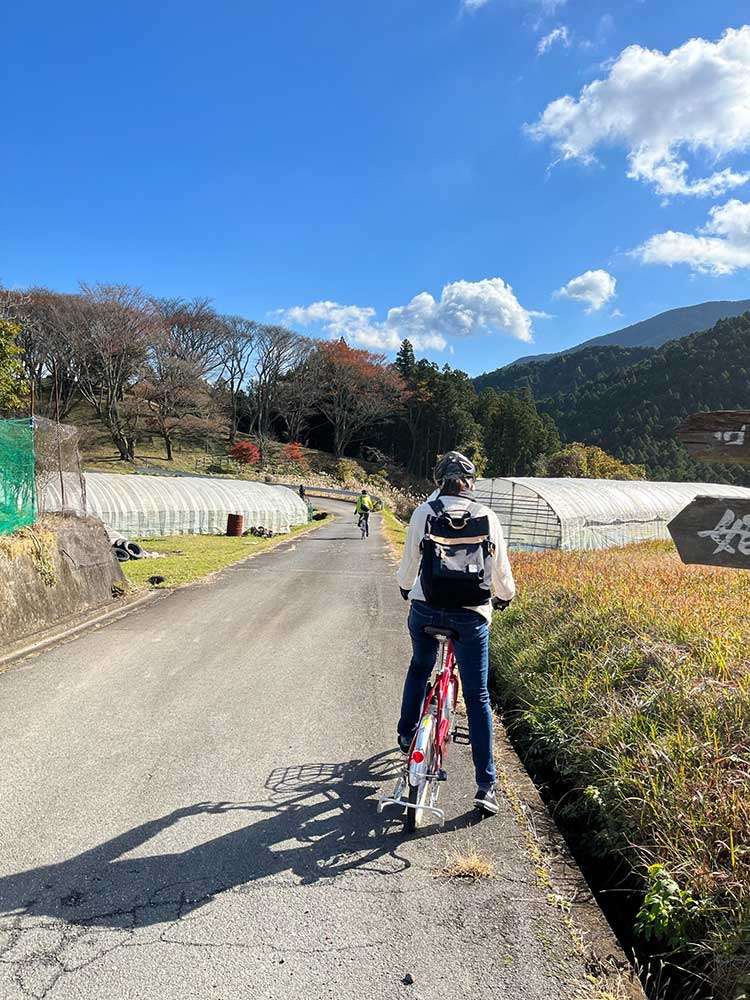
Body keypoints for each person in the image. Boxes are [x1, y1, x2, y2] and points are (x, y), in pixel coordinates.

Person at [395, 451, 515, 817]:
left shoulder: (424, 512)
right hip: (470, 616)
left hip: (427, 607)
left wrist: (405, 588)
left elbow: (408, 564)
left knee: (420, 665)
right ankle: (485, 786)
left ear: (438, 481)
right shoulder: (487, 516)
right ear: (471, 483)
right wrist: (505, 596)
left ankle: (406, 733)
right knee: (477, 696)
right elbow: (499, 569)